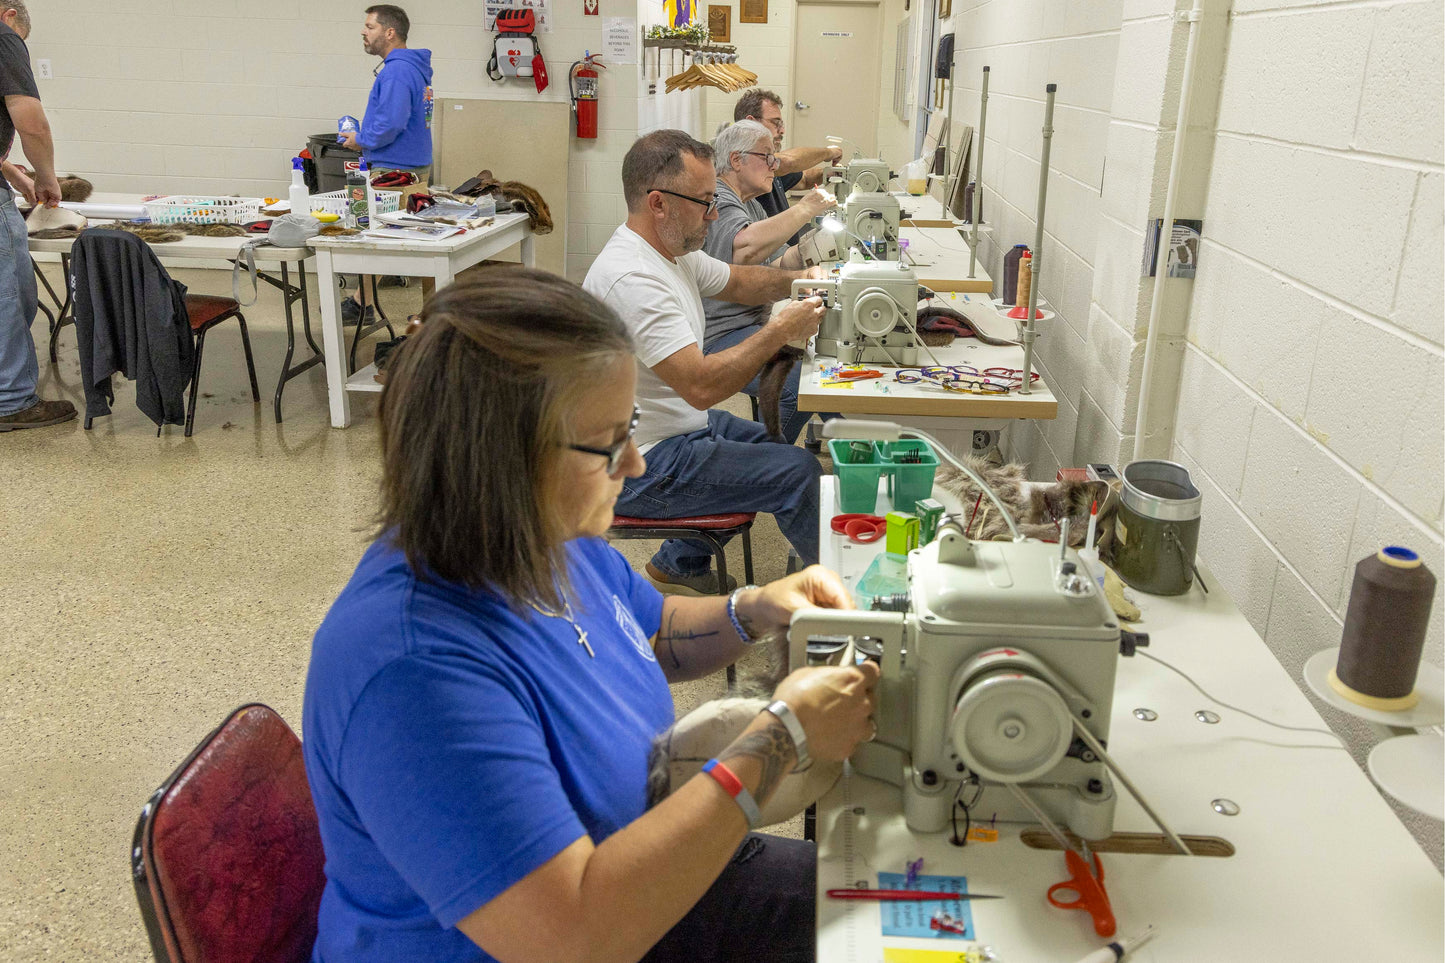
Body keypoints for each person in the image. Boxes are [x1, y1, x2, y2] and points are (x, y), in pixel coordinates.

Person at [303, 269, 879, 963]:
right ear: (501, 456)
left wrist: (755, 606)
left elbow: (651, 631)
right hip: (588, 927)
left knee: (897, 910)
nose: (635, 463)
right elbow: (572, 938)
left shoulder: (548, 540)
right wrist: (780, 736)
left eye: (630, 428)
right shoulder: (413, 668)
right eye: (609, 441)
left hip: (633, 881)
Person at [583, 129, 827, 596]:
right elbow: (701, 386)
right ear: (658, 203)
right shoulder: (634, 277)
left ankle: (680, 564)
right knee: (797, 474)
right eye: (703, 202)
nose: (714, 215)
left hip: (676, 429)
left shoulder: (670, 252)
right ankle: (852, 603)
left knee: (774, 442)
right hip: (642, 465)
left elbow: (740, 282)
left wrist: (804, 279)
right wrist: (779, 331)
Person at [702, 120, 836, 445]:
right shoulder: (719, 199)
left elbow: (777, 262)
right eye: (768, 157)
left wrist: (818, 245)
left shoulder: (751, 203)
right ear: (736, 160)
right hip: (718, 335)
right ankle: (766, 456)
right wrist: (805, 209)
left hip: (750, 322)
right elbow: (744, 247)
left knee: (830, 375)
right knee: (800, 384)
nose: (775, 166)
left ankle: (861, 442)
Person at [0, 1, 73, 432]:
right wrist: (46, 178)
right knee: (9, 297)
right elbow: (32, 124)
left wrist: (8, 167)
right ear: (10, 14)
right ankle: (10, 401)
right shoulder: (4, 37)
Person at [338, 4, 434, 314]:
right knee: (403, 238)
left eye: (370, 27)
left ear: (389, 32)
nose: (363, 32)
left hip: (395, 168)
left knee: (378, 236)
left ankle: (361, 304)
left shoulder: (396, 72)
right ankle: (367, 302)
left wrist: (361, 140)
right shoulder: (411, 69)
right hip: (411, 164)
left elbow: (392, 122)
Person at [734, 88, 843, 245]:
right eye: (775, 123)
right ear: (751, 123)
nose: (782, 130)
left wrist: (830, 173)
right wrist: (829, 153)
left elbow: (803, 179)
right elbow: (789, 161)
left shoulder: (773, 169)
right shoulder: (748, 162)